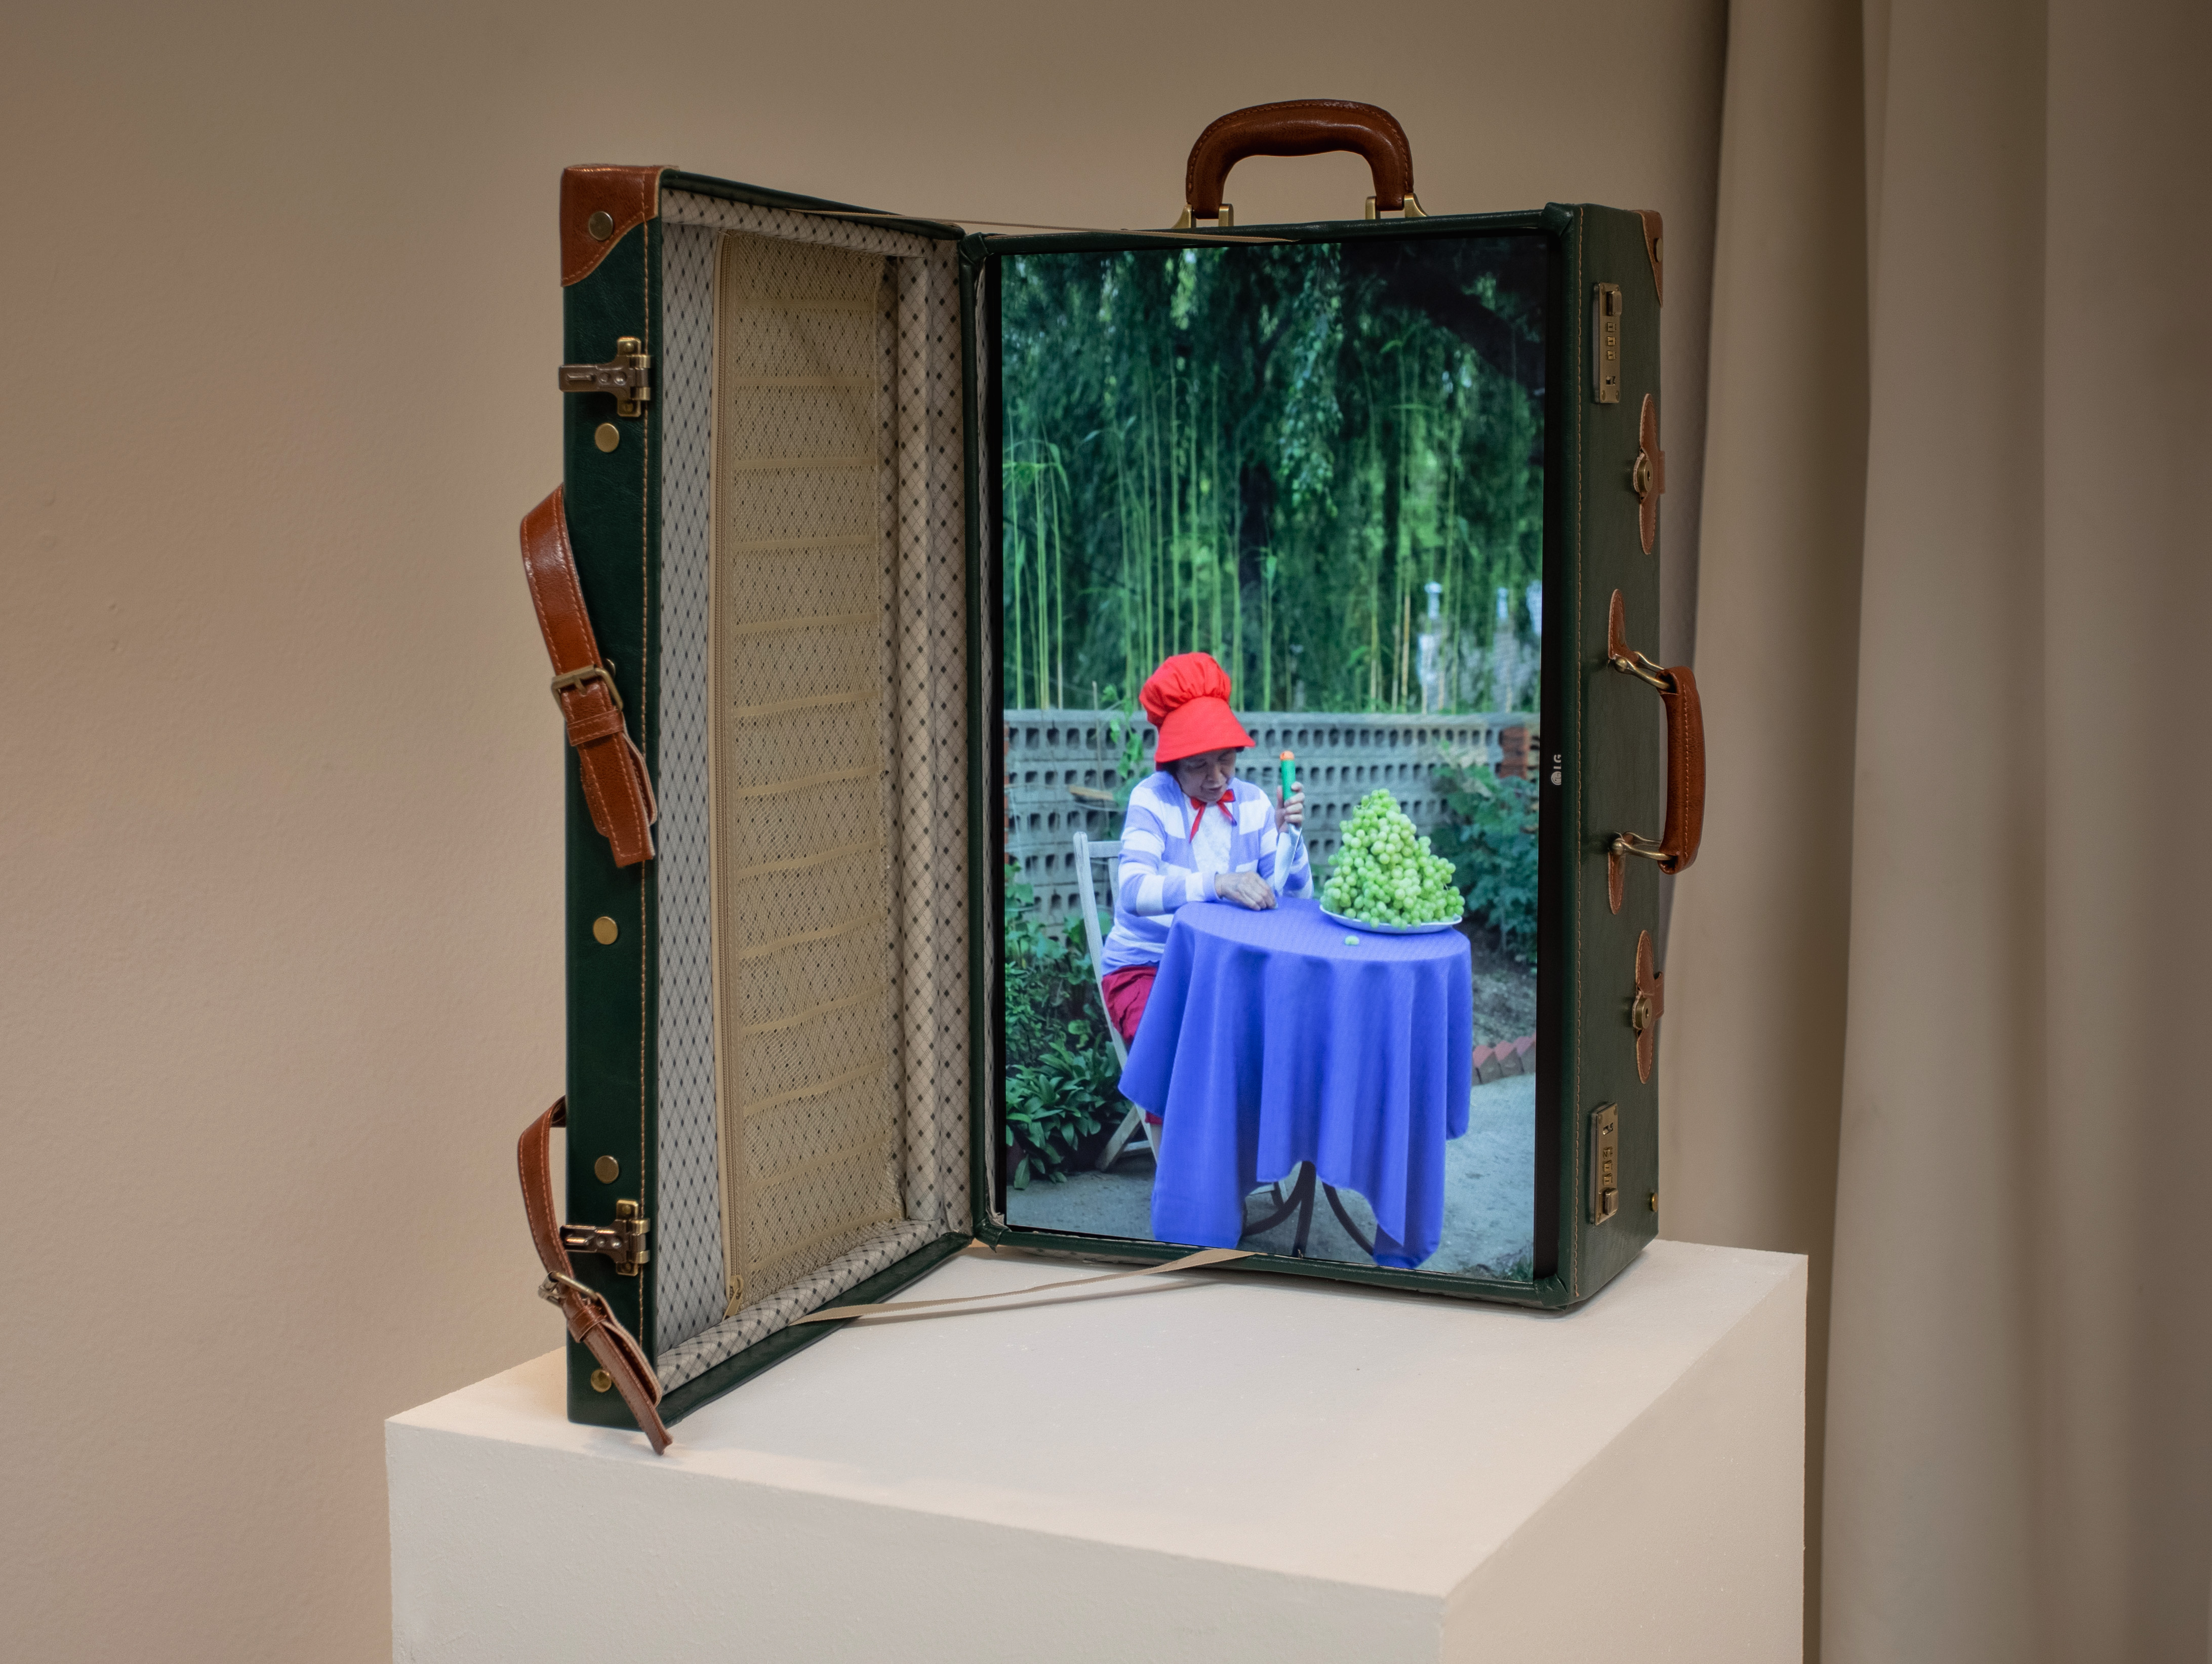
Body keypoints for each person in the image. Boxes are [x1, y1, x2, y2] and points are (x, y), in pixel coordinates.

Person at [1096, 652, 1307, 1058]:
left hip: (1223, 969)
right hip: (1147, 968)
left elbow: (1293, 900)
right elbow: (1133, 892)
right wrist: (1218, 884)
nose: (1216, 778)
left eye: (1225, 760)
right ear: (1173, 762)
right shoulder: (1151, 799)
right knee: (1186, 1047)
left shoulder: (1253, 803)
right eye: (1198, 765)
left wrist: (1289, 836)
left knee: (1284, 1031)